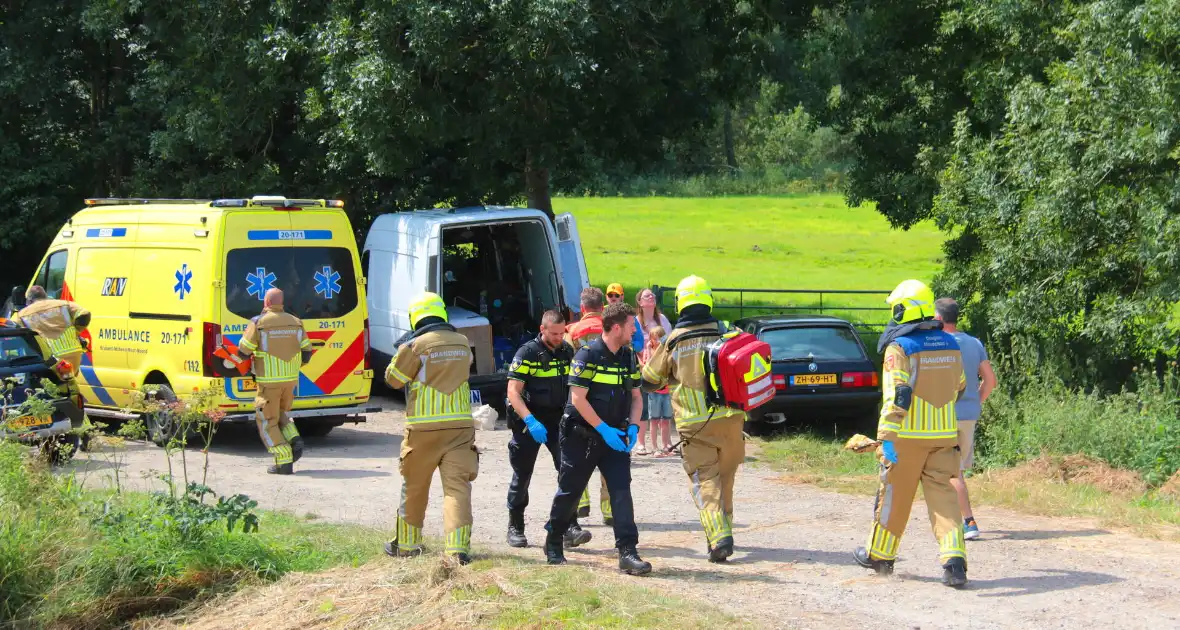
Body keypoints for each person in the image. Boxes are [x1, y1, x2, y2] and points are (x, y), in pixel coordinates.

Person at [854, 279, 969, 588]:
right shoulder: (950, 343)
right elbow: (960, 385)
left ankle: (879, 555)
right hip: (945, 438)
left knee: (894, 496)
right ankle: (954, 562)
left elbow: (897, 395)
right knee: (944, 499)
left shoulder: (900, 348)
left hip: (905, 439)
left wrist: (885, 439)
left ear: (904, 309)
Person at [641, 275, 746, 563]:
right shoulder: (727, 331)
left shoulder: (675, 340)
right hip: (732, 419)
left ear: (680, 303)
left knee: (705, 480)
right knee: (725, 478)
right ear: (708, 299)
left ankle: (718, 538)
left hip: (695, 425)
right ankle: (725, 528)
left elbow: (649, 378)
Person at [544, 301, 651, 575]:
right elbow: (578, 399)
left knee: (621, 492)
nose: (634, 331)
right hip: (582, 436)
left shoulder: (628, 357)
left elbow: (637, 397)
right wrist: (602, 428)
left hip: (615, 437)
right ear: (616, 327)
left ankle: (628, 552)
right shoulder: (587, 355)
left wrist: (634, 428)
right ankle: (554, 541)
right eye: (631, 326)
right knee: (570, 490)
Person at [383, 292, 479, 565]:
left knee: (415, 486)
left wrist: (402, 351)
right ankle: (457, 550)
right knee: (457, 488)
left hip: (423, 428)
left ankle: (407, 544)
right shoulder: (462, 342)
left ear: (415, 317)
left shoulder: (415, 345)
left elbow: (394, 380)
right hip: (460, 427)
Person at [504, 309, 592, 549]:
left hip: (557, 420)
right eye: (553, 333)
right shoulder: (527, 352)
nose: (558, 337)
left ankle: (569, 527)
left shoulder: (567, 351)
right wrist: (531, 421)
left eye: (561, 333)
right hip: (528, 420)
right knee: (522, 475)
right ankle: (515, 526)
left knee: (568, 472)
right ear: (542, 329)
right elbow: (513, 392)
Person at [935, 297, 997, 541]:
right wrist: (975, 401)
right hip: (969, 416)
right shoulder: (974, 343)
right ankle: (957, 519)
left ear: (939, 319)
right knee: (957, 469)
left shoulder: (939, 344)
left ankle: (968, 522)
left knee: (953, 473)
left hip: (944, 416)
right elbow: (990, 381)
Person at [236, 288, 313, 474]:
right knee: (279, 414)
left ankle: (284, 461)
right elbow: (307, 352)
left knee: (267, 420)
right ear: (282, 302)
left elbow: (243, 351)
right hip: (290, 381)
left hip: (268, 381)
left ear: (266, 303)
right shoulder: (296, 322)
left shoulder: (259, 322)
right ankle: (294, 438)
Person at [565, 287, 612, 524]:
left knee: (577, 454)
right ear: (602, 307)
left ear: (582, 308)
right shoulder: (612, 329)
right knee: (608, 457)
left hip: (580, 401)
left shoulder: (572, 331)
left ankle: (581, 503)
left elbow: (564, 362)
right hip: (608, 401)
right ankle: (610, 510)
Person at [12, 285, 90, 377]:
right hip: (73, 351)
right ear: (45, 296)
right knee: (69, 383)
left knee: (51, 386)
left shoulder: (22, 314)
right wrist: (77, 331)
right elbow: (85, 314)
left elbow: (14, 331)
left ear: (29, 300)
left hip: (50, 357)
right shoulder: (64, 304)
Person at [633, 288, 672, 454]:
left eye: (653, 295)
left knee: (665, 407)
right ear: (640, 302)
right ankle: (641, 442)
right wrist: (642, 359)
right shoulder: (635, 321)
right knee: (642, 406)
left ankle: (667, 442)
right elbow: (633, 343)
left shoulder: (662, 320)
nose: (652, 297)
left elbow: (670, 342)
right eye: (647, 295)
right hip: (643, 367)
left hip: (661, 369)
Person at [640, 325, 675, 457]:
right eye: (654, 339)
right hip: (654, 392)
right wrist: (649, 349)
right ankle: (655, 447)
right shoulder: (649, 351)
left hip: (666, 391)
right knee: (654, 420)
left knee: (666, 420)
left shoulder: (666, 352)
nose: (657, 341)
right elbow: (648, 367)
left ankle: (666, 446)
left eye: (659, 338)